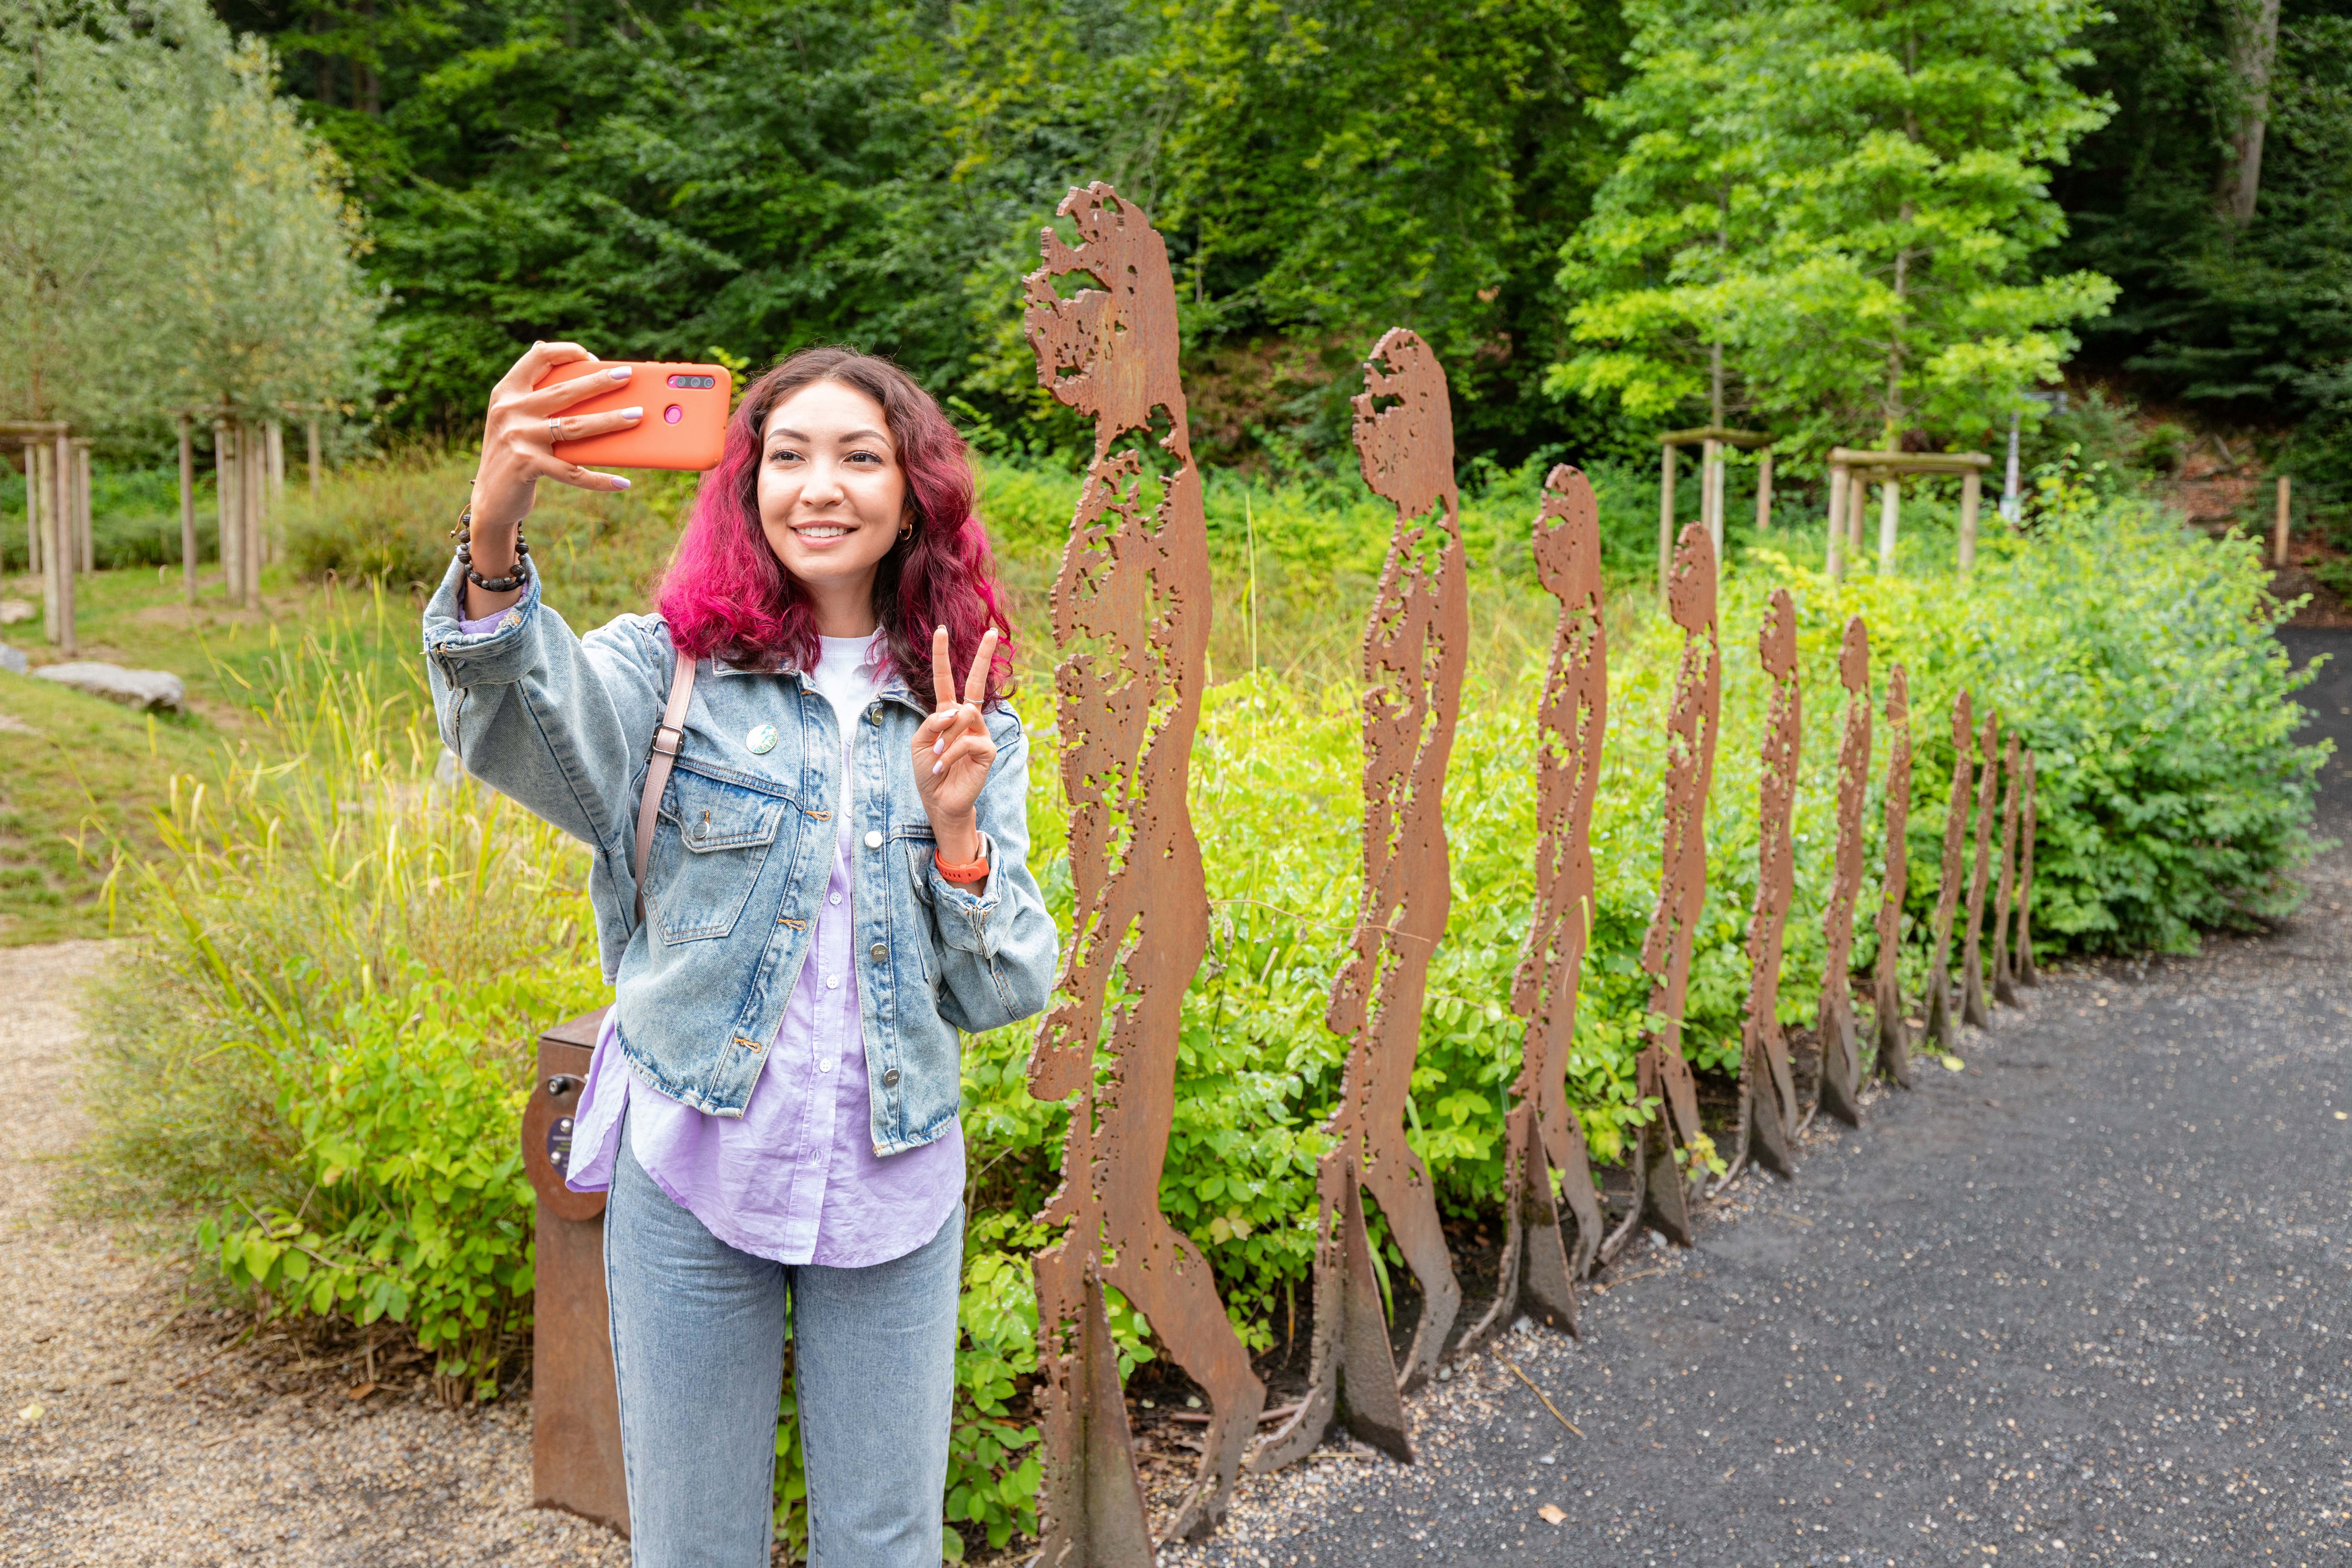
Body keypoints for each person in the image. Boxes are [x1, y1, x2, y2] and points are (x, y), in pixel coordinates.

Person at [423, 341, 1057, 1567]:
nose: (822, 487)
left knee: (882, 1539)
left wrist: (959, 831)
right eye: (790, 455)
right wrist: (494, 532)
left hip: (894, 1175)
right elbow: (509, 723)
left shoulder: (965, 711)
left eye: (860, 457)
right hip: (696, 1167)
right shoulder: (668, 673)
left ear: (913, 492)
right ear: (748, 484)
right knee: (694, 1540)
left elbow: (1001, 987)